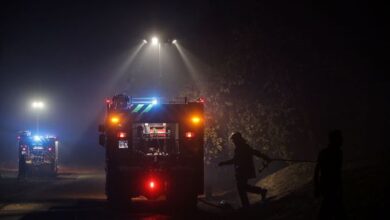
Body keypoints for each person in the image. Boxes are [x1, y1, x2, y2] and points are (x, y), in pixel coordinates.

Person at [219, 132, 271, 208]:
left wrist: (224, 163)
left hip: (243, 170)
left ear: (237, 139)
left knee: (241, 188)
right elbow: (254, 152)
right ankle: (259, 193)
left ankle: (247, 205)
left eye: (234, 140)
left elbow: (236, 160)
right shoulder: (242, 147)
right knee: (243, 187)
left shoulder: (242, 147)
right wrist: (265, 157)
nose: (233, 142)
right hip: (242, 170)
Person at [314, 130, 345, 219]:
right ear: (335, 140)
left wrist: (316, 187)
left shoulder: (324, 153)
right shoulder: (338, 153)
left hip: (328, 187)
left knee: (328, 210)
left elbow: (317, 171)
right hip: (331, 188)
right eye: (340, 138)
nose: (342, 140)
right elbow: (337, 172)